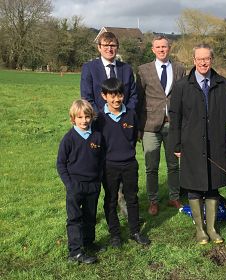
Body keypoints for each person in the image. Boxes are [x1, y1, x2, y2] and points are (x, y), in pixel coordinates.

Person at [169, 43, 226, 244]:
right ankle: (200, 230)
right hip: (191, 145)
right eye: (200, 59)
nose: (203, 62)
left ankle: (212, 228)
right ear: (194, 60)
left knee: (213, 186)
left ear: (211, 60)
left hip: (216, 144)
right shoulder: (181, 86)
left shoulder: (223, 84)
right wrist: (176, 146)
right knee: (194, 187)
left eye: (207, 58)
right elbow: (175, 118)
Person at [80, 31, 137, 216]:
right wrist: (104, 116)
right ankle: (98, 208)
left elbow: (133, 96)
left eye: (113, 46)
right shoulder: (89, 68)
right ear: (99, 48)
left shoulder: (126, 69)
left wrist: (124, 116)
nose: (110, 49)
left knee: (122, 166)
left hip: (122, 125)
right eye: (106, 46)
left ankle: (124, 205)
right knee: (99, 167)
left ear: (117, 48)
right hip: (99, 124)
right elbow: (87, 97)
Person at [96, 78, 150, 248]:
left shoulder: (130, 114)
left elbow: (133, 138)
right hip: (109, 166)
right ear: (104, 96)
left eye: (119, 95)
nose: (116, 99)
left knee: (132, 198)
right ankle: (115, 235)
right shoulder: (99, 118)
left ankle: (135, 231)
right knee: (111, 200)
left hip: (129, 164)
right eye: (112, 96)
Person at [136, 35, 186, 216]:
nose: (161, 50)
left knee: (174, 165)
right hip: (150, 125)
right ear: (153, 49)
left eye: (164, 46)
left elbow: (184, 97)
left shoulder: (180, 69)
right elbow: (139, 99)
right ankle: (153, 200)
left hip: (173, 125)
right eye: (158, 47)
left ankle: (174, 196)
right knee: (151, 166)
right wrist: (139, 128)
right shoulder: (143, 70)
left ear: (169, 48)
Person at [56, 100, 103, 264]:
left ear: (92, 117)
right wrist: (69, 184)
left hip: (93, 185)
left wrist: (99, 180)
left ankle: (89, 243)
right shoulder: (68, 139)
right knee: (75, 218)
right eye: (80, 117)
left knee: (90, 216)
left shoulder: (97, 136)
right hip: (75, 186)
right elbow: (60, 163)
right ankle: (75, 251)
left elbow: (101, 160)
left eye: (87, 116)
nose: (84, 121)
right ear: (73, 119)